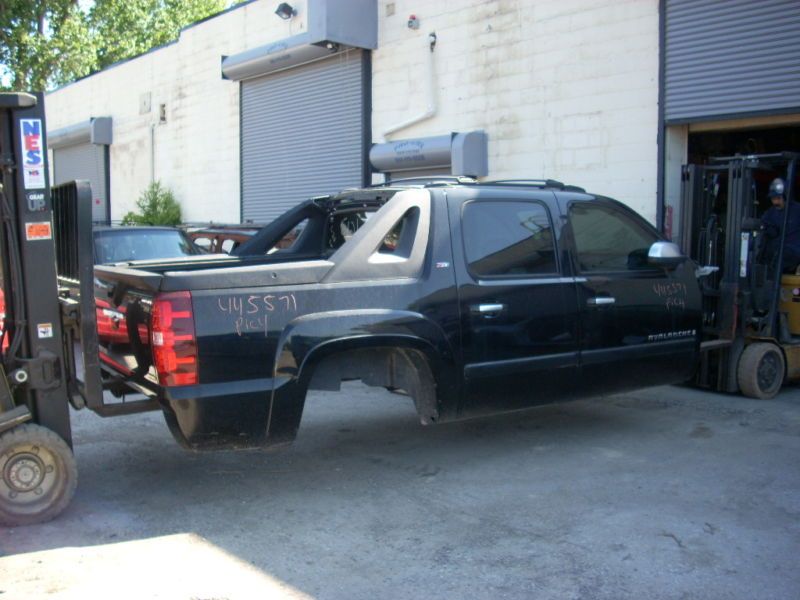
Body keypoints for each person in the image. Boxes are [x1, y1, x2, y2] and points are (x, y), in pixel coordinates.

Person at [761, 177, 800, 273]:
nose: (775, 202)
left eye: (778, 198)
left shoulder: (797, 210)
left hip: (793, 253)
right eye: (773, 199)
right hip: (775, 255)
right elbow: (764, 228)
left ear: (786, 196)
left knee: (779, 254)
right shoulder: (769, 214)